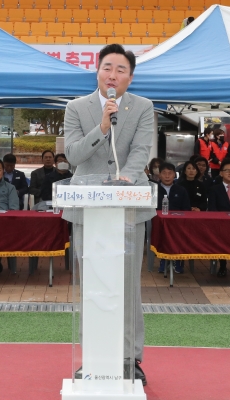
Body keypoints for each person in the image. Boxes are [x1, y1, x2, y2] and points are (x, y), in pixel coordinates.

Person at [63, 43, 153, 385]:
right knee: (94, 288)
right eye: (107, 67)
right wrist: (102, 127)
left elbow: (141, 151)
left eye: (120, 70)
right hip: (89, 210)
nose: (112, 75)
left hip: (128, 210)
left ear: (130, 77)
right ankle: (95, 357)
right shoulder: (76, 108)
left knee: (128, 288)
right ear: (97, 70)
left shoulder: (143, 107)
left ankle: (131, 358)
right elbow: (72, 155)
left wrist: (126, 179)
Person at [156, 162, 191, 274]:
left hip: (178, 223)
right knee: (163, 231)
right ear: (159, 175)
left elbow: (187, 209)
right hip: (160, 222)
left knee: (180, 232)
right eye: (164, 173)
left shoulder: (181, 190)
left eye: (170, 173)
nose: (167, 176)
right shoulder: (154, 190)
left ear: (174, 175)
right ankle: (163, 259)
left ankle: (178, 260)